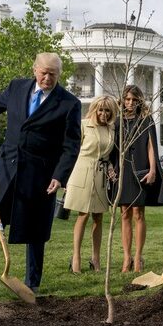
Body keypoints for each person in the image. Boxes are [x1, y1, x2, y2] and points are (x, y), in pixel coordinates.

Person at [0, 52, 81, 296]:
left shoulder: (69, 103)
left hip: (40, 177)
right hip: (7, 171)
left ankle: (32, 283)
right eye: (44, 72)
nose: (47, 78)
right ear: (34, 70)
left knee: (36, 230)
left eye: (53, 74)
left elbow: (71, 145)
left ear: (59, 75)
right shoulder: (17, 87)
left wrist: (59, 175)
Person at [111, 85, 163, 273]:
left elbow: (152, 147)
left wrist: (152, 170)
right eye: (127, 99)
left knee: (138, 213)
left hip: (141, 169)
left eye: (134, 100)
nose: (130, 103)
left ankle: (138, 257)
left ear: (139, 101)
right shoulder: (117, 121)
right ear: (122, 99)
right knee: (124, 213)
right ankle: (126, 258)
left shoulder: (146, 120)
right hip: (122, 169)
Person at [64, 95, 118, 273]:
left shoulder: (112, 129)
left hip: (101, 175)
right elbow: (71, 150)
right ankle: (76, 257)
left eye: (108, 110)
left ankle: (95, 259)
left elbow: (107, 155)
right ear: (95, 109)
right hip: (82, 172)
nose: (104, 113)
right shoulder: (83, 124)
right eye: (101, 110)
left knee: (99, 216)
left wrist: (110, 168)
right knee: (83, 214)